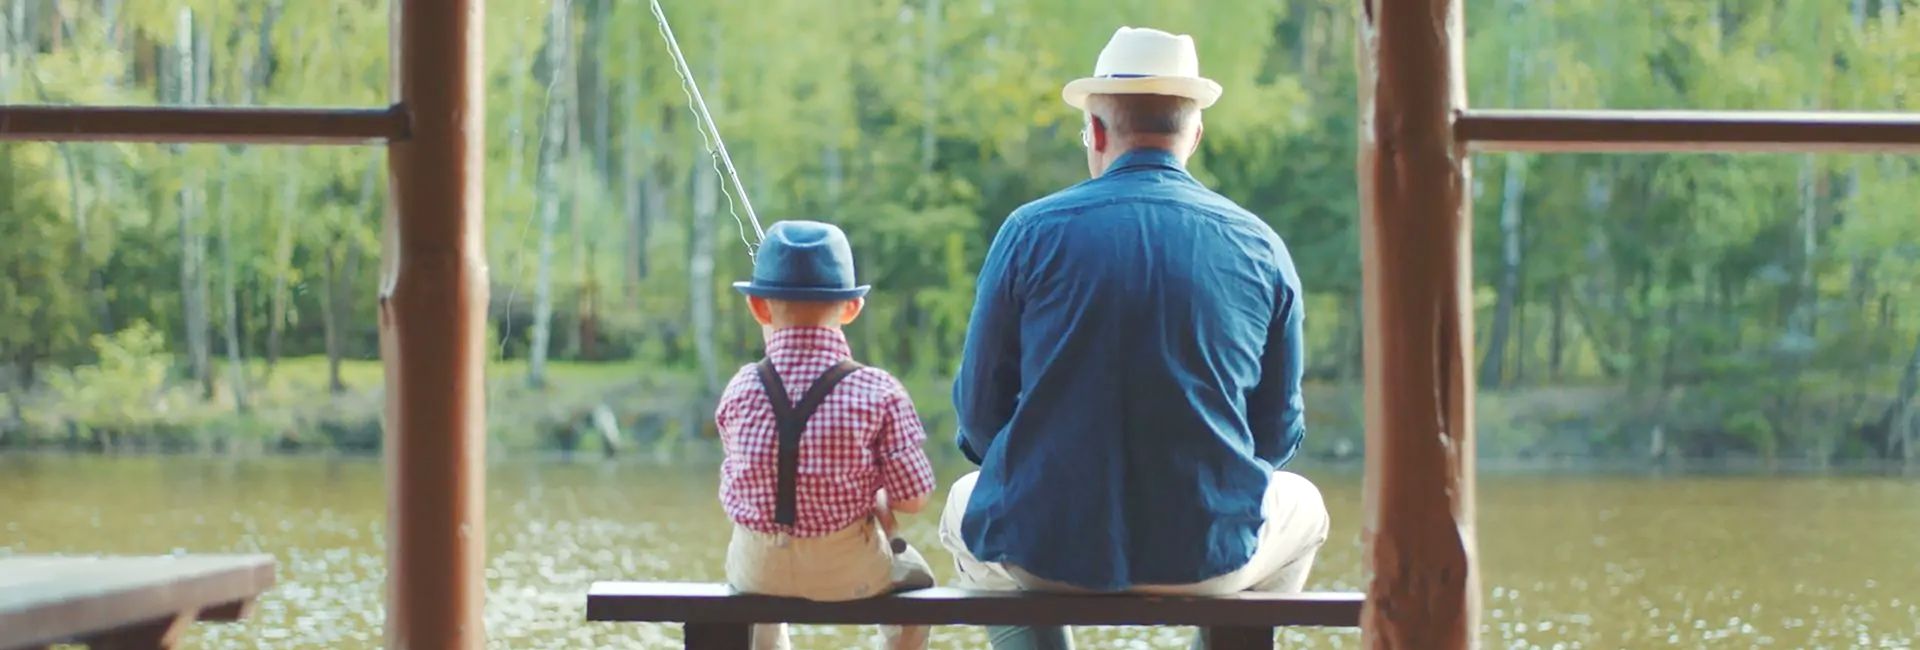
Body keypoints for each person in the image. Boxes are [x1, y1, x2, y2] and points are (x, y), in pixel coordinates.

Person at [941, 26, 1331, 649]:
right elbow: (1275, 437)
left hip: (1044, 557)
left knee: (966, 503)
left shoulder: (1027, 232)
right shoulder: (1261, 246)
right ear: (1194, 135)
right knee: (1303, 505)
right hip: (1210, 559)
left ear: (1095, 131)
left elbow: (981, 424)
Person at [715, 220, 938, 650]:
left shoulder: (741, 388)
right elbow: (913, 499)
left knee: (763, 594)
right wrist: (875, 501)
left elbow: (744, 480)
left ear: (759, 309)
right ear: (852, 308)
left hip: (754, 572)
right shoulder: (878, 390)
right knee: (919, 584)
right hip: (848, 573)